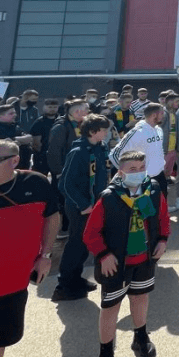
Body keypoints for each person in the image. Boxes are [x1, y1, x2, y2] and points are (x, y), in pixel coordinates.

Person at [82, 150, 169, 357]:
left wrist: (162, 239)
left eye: (142, 168)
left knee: (140, 298)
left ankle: (140, 337)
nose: (139, 173)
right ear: (120, 172)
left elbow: (162, 218)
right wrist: (103, 254)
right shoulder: (109, 198)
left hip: (144, 259)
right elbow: (91, 233)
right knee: (111, 308)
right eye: (133, 169)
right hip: (116, 264)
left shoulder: (153, 190)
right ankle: (105, 354)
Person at [0, 139, 60, 357]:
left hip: (12, 284)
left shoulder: (36, 184)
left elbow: (52, 215)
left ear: (14, 161)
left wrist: (46, 255)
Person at [51, 114, 111, 302]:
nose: (107, 133)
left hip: (94, 205)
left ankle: (76, 279)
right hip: (80, 207)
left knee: (85, 245)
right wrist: (84, 205)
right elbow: (65, 185)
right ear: (93, 132)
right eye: (104, 130)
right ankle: (65, 286)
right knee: (76, 245)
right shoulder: (78, 152)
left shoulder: (100, 147)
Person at [29, 98, 60, 175]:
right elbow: (36, 143)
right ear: (44, 107)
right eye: (50, 107)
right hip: (42, 156)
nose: (52, 109)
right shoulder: (39, 122)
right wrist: (40, 154)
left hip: (57, 156)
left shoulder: (61, 121)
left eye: (54, 107)